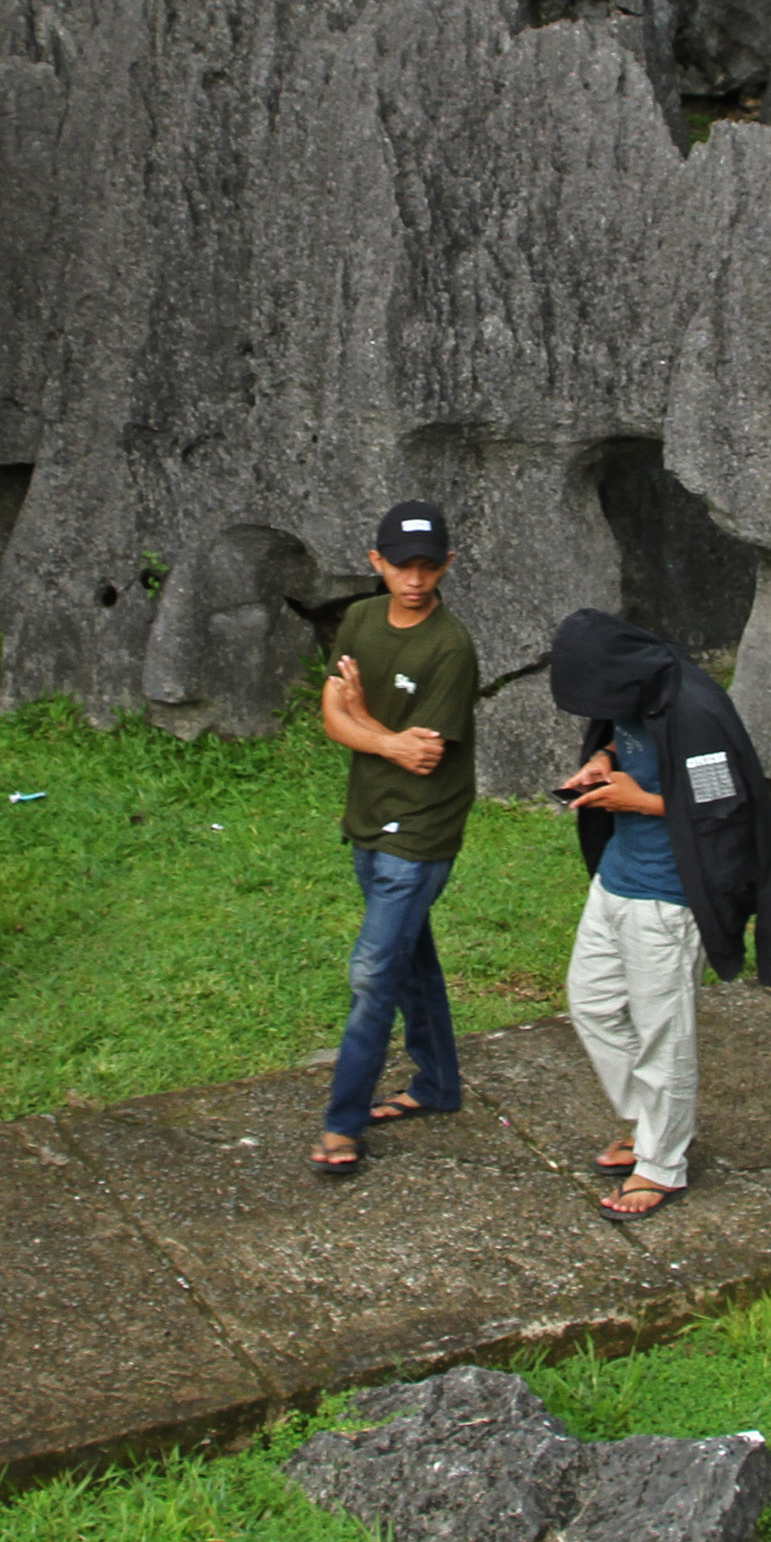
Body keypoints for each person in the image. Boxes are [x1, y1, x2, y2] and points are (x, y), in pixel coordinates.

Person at [546, 609, 771, 1220]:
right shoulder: (630, 689)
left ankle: (662, 1164)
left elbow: (722, 810)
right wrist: (601, 761)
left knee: (663, 1033)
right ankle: (655, 1121)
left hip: (669, 898)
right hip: (618, 878)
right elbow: (620, 735)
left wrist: (640, 800)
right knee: (591, 1002)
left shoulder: (696, 713)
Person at [307, 501, 480, 1180]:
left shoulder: (450, 646)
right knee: (409, 959)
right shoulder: (357, 619)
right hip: (368, 819)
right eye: (402, 564)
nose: (415, 578)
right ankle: (437, 1081)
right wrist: (367, 726)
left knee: (373, 972)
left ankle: (341, 1124)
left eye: (429, 564)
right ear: (375, 561)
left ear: (447, 565)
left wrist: (363, 717)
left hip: (422, 830)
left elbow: (422, 756)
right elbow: (330, 717)